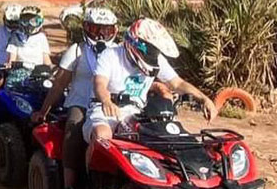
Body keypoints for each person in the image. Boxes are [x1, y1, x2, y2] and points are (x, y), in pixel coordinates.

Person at [84, 18, 217, 150]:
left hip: (138, 112)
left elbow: (177, 83)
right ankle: (89, 171)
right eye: (151, 49)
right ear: (137, 43)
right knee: (103, 136)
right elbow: (99, 83)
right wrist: (106, 100)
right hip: (105, 111)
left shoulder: (156, 59)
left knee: (168, 137)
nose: (153, 54)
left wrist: (204, 98)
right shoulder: (111, 55)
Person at [32, 2, 118, 189]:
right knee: (73, 133)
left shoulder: (118, 53)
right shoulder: (77, 51)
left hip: (109, 106)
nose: (100, 35)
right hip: (80, 103)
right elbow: (59, 84)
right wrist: (44, 111)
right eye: (95, 29)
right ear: (86, 28)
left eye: (106, 30)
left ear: (114, 30)